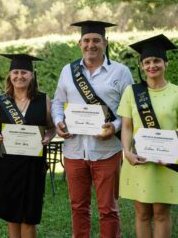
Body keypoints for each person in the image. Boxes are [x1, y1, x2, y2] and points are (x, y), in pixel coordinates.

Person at [51, 20, 134, 238]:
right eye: (86, 40)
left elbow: (130, 111)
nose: (91, 45)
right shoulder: (67, 71)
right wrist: (59, 121)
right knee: (78, 207)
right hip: (74, 150)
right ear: (79, 43)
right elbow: (58, 102)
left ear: (105, 42)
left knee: (108, 209)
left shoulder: (121, 72)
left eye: (96, 40)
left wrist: (114, 125)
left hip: (107, 151)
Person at [117, 34, 178, 238]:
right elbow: (126, 126)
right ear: (142, 66)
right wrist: (126, 152)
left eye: (157, 61)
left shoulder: (176, 93)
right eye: (147, 62)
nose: (152, 66)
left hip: (166, 163)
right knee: (142, 213)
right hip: (138, 161)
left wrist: (172, 153)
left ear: (165, 63)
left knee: (161, 213)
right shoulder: (132, 92)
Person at [0, 54, 55, 238]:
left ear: (31, 75)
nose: (19, 76)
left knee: (29, 215)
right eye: (15, 72)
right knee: (12, 214)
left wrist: (49, 137)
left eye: (24, 72)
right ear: (10, 75)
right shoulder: (1, 100)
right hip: (8, 165)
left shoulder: (43, 100)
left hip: (33, 166)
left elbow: (51, 128)